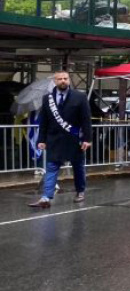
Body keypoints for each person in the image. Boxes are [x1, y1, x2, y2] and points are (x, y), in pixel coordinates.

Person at [30, 71, 92, 207]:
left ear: (69, 80)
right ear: (55, 81)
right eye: (60, 79)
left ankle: (80, 191)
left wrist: (87, 139)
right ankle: (46, 197)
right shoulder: (48, 98)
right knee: (51, 167)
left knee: (78, 167)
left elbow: (86, 120)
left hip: (74, 139)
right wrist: (41, 140)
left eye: (65, 78)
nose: (63, 81)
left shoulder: (80, 97)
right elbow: (44, 121)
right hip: (55, 140)